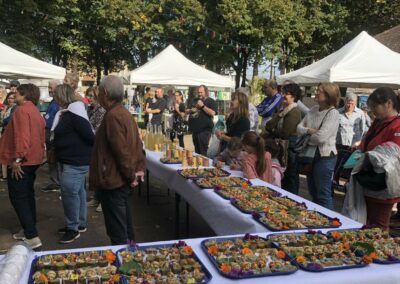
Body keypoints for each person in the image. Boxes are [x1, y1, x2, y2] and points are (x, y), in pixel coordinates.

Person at [90, 75, 145, 245]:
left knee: (118, 232)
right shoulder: (123, 113)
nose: (98, 95)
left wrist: (130, 175)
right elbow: (136, 146)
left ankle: (124, 265)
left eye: (99, 91)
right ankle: (129, 259)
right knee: (125, 229)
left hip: (115, 183)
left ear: (105, 93)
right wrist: (134, 173)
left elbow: (122, 152)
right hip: (121, 181)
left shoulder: (113, 115)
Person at [0, 83, 45, 249]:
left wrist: (17, 159)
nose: (14, 94)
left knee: (19, 197)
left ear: (24, 95)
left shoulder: (22, 110)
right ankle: (28, 229)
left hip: (23, 161)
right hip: (33, 159)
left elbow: (22, 137)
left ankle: (31, 235)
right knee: (26, 195)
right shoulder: (34, 110)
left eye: (16, 93)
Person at [52, 84, 95, 244]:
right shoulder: (71, 111)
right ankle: (80, 223)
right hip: (74, 160)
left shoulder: (74, 112)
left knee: (70, 193)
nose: (53, 97)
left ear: (62, 96)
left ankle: (73, 228)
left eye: (55, 94)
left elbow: (90, 136)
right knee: (78, 192)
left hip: (76, 161)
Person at [357, 87, 400, 230]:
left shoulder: (397, 125)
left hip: (382, 186)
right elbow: (365, 143)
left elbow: (392, 157)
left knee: (378, 228)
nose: (372, 110)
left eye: (375, 106)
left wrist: (368, 156)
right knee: (367, 224)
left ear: (388, 103)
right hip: (369, 181)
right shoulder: (378, 122)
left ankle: (380, 252)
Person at [297, 82, 340, 210]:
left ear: (328, 95)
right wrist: (310, 131)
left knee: (323, 194)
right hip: (310, 157)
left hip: (325, 157)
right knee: (313, 192)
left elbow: (321, 138)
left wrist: (307, 133)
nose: (316, 92)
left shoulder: (333, 113)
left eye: (319, 91)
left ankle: (330, 224)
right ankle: (317, 220)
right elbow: (298, 128)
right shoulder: (313, 109)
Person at [265, 83, 302, 193]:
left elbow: (285, 133)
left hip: (289, 148)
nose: (283, 96)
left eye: (287, 93)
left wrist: (273, 131)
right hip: (282, 147)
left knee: (290, 177)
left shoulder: (294, 112)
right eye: (283, 93)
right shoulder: (283, 110)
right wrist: (279, 115)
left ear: (294, 96)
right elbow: (268, 125)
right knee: (284, 177)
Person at [333, 93, 366, 186]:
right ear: (345, 101)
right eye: (348, 102)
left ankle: (348, 184)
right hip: (340, 143)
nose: (349, 105)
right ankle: (335, 180)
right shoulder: (338, 112)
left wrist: (358, 142)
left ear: (355, 103)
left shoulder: (360, 114)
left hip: (353, 144)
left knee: (349, 166)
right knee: (338, 164)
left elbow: (362, 129)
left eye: (352, 103)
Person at [85, 86, 106, 212]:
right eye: (88, 95)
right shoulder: (91, 109)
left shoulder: (101, 110)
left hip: (100, 146)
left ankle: (103, 201)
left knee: (102, 174)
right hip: (94, 146)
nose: (88, 98)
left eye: (91, 96)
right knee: (96, 173)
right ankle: (96, 198)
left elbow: (98, 129)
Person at [41, 80, 62, 193]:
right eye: (48, 87)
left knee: (55, 157)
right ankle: (55, 181)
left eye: (51, 87)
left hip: (54, 133)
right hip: (48, 132)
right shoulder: (53, 101)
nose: (49, 90)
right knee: (51, 158)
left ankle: (58, 182)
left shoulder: (59, 101)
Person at [186, 85, 217, 156]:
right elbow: (186, 110)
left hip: (204, 131)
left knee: (203, 151)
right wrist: (191, 110)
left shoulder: (211, 101)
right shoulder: (194, 100)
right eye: (198, 92)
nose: (199, 94)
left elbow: (213, 113)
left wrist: (202, 106)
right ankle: (198, 165)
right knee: (197, 151)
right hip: (195, 130)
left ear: (206, 92)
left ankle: (204, 166)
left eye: (201, 92)